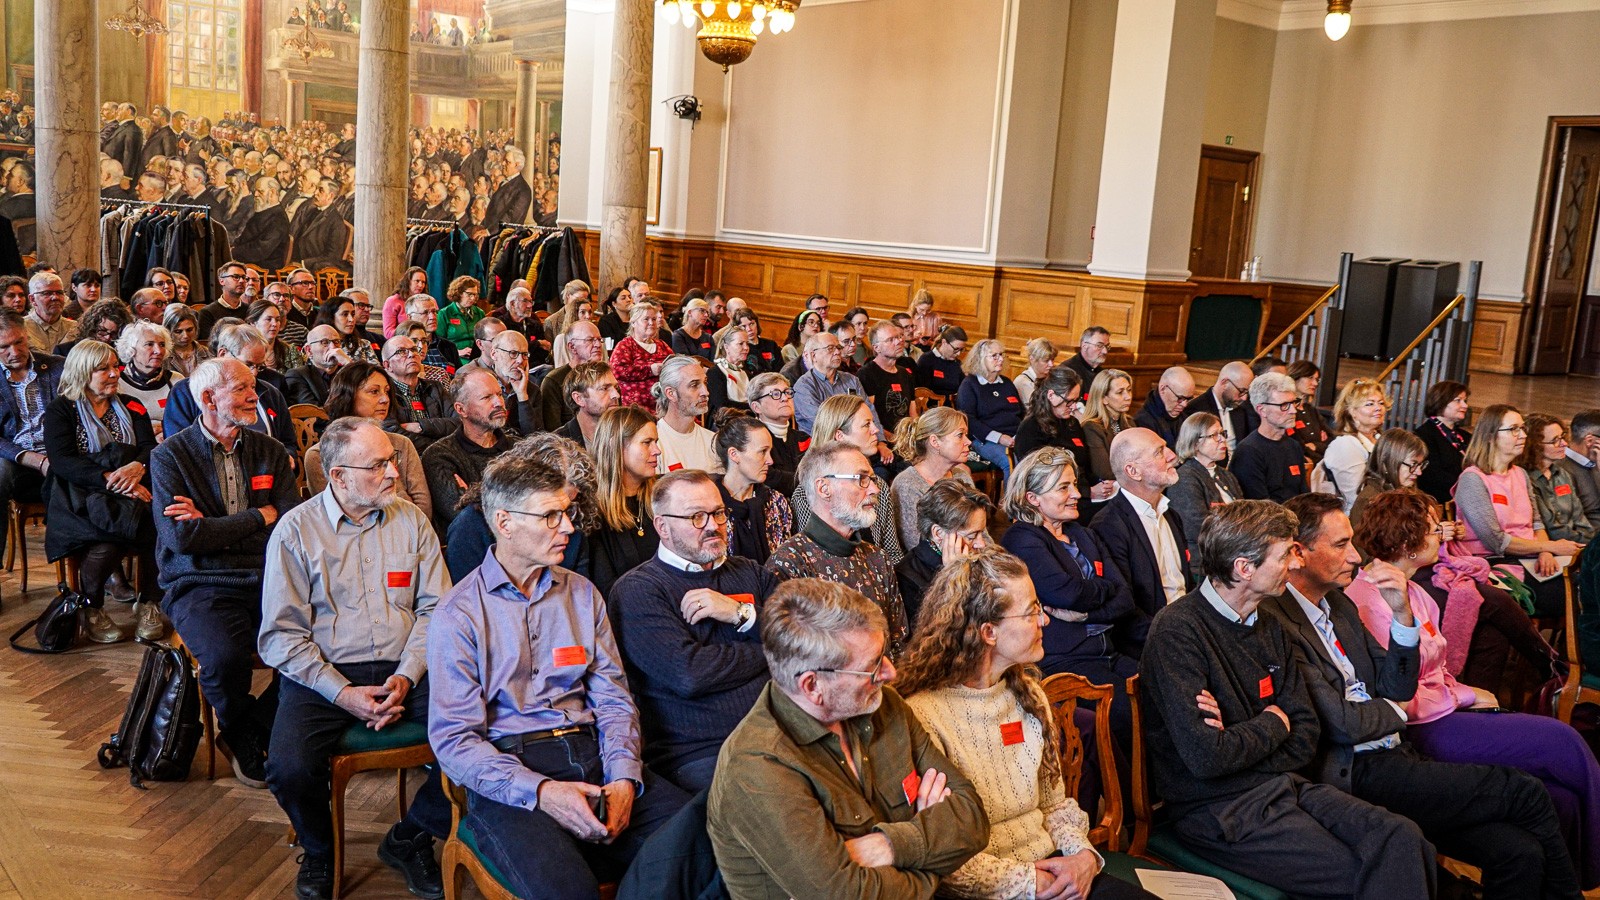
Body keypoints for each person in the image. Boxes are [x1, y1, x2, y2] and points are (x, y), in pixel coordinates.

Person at [1266, 492, 1581, 900]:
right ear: (1299, 553)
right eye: (1341, 545)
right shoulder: (1279, 622)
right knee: (1525, 790)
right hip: (1354, 772)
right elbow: (1345, 725)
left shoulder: (1338, 604)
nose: (1356, 557)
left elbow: (1398, 686)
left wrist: (1401, 615)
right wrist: (1396, 709)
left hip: (1394, 752)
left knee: (1520, 852)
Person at [1137, 499, 1436, 898]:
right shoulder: (1178, 631)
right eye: (1284, 556)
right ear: (1244, 569)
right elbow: (1207, 758)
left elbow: (1305, 737)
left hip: (1284, 785)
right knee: (1364, 874)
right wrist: (1274, 722)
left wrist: (1248, 736)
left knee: (1403, 837)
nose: (1295, 565)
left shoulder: (1268, 622)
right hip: (1218, 810)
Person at [427, 451, 688, 900]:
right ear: (505, 523)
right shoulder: (459, 614)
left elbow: (613, 699)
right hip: (510, 770)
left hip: (594, 752)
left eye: (566, 513)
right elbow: (454, 741)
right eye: (550, 516)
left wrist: (624, 775)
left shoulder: (582, 594)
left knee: (711, 846)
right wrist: (544, 792)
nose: (568, 527)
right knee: (568, 890)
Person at [1348, 489, 1600, 888]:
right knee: (1563, 742)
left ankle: (1578, 877)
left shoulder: (1416, 592)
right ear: (1405, 544)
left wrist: (1461, 691)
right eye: (1433, 530)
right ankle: (1591, 870)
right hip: (1420, 726)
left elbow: (1438, 671)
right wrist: (1466, 694)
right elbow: (1399, 693)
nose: (1443, 536)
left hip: (1447, 710)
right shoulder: (1368, 599)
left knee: (1563, 800)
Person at [259, 418, 450, 900]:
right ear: (338, 476)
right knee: (288, 767)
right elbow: (282, 637)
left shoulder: (411, 520)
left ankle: (410, 837)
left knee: (481, 735)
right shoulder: (296, 531)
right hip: (323, 674)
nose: (394, 473)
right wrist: (342, 693)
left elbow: (436, 609)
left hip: (407, 666)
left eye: (393, 460)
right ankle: (321, 851)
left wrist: (407, 675)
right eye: (379, 465)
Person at [899, 551, 1161, 900]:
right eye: (1032, 611)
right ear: (988, 631)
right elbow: (946, 862)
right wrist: (1028, 882)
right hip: (994, 889)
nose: (1045, 621)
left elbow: (1055, 806)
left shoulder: (1029, 696)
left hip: (1052, 866)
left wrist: (1083, 856)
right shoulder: (924, 717)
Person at [706, 578, 989, 899]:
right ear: (813, 686)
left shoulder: (885, 705)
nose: (890, 673)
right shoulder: (758, 768)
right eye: (871, 667)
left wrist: (889, 846)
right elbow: (846, 894)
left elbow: (972, 820)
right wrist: (930, 860)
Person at [152, 358, 301, 789]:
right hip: (198, 581)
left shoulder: (270, 452)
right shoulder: (170, 457)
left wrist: (214, 528)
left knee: (325, 640)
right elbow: (183, 540)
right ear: (207, 398)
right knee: (224, 658)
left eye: (252, 386)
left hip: (268, 574)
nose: (254, 396)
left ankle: (248, 726)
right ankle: (240, 731)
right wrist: (259, 517)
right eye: (240, 389)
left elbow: (289, 526)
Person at [610, 470, 780, 792]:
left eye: (718, 513)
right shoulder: (638, 590)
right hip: (702, 751)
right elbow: (690, 674)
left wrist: (739, 613)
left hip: (780, 728)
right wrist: (770, 648)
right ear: (663, 527)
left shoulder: (750, 572)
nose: (714, 525)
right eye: (697, 517)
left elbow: (804, 636)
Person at [1000, 447, 1138, 732]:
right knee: (1127, 712)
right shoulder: (1022, 538)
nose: (1077, 493)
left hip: (1108, 651)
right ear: (1033, 498)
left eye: (1074, 484)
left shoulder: (1082, 533)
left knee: (1164, 690)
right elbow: (1066, 593)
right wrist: (1105, 587)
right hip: (1065, 661)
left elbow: (1125, 598)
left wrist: (1086, 615)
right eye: (1064, 487)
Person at [42, 340, 161, 643]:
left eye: (114, 367)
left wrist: (136, 470)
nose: (113, 374)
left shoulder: (131, 404)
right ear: (83, 372)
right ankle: (91, 606)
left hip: (133, 484)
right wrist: (114, 479)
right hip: (80, 491)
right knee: (110, 537)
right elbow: (62, 461)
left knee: (161, 525)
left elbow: (149, 448)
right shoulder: (61, 410)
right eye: (103, 369)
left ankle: (148, 603)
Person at [768, 442, 909, 657]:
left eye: (871, 479)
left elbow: (899, 642)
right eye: (861, 479)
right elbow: (791, 658)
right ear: (824, 488)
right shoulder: (789, 564)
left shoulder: (877, 558)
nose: (875, 489)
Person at [1455, 404, 1586, 616]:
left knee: (1587, 585)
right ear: (1490, 436)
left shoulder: (1520, 474)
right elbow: (1496, 541)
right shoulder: (1473, 479)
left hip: (1530, 558)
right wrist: (1549, 546)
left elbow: (1536, 524)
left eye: (1523, 428)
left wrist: (1545, 551)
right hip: (1494, 564)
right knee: (1578, 596)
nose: (1523, 435)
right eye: (1514, 429)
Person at [1091, 427, 1194, 647]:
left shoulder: (1171, 515)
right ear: (1133, 471)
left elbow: (1187, 585)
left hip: (1188, 631)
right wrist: (1172, 639)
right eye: (1159, 452)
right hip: (1152, 643)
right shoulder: (1109, 526)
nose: (1172, 455)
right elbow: (1124, 611)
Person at [789, 394, 906, 566]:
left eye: (873, 423)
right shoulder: (808, 494)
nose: (875, 430)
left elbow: (893, 553)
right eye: (866, 425)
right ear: (840, 435)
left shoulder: (877, 485)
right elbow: (812, 558)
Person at [302, 363, 431, 510]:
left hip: (411, 530)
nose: (385, 399)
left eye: (387, 391)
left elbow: (423, 505)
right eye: (374, 391)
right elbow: (339, 514)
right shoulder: (318, 455)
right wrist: (401, 496)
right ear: (348, 395)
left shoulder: (402, 443)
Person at [162, 323, 299, 456]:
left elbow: (288, 442)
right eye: (248, 364)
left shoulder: (270, 392)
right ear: (222, 353)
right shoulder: (186, 392)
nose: (254, 373)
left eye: (260, 367)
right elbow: (178, 448)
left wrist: (286, 457)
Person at [0, 312, 60, 593]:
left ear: (27, 335)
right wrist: (31, 458)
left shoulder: (57, 367)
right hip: (17, 458)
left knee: (89, 471)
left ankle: (99, 568)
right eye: (4, 347)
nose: (15, 352)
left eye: (19, 342)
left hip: (60, 451)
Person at [421, 368, 512, 534]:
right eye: (486, 397)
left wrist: (473, 495)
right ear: (461, 409)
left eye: (499, 394)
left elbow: (537, 508)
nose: (499, 402)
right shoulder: (439, 456)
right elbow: (463, 516)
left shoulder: (519, 448)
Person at [898, 479, 993, 631]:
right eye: (972, 536)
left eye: (981, 533)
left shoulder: (978, 558)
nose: (981, 544)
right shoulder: (908, 579)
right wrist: (954, 576)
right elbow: (936, 639)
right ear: (938, 533)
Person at [589, 405, 662, 597]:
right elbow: (606, 589)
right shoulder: (592, 512)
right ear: (617, 446)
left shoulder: (663, 495)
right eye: (647, 442)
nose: (657, 451)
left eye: (656, 442)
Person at [888, 406, 974, 552]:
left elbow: (980, 532)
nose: (968, 442)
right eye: (960, 435)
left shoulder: (962, 476)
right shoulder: (908, 485)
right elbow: (917, 545)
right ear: (935, 442)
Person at [714, 410, 794, 566]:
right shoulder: (710, 505)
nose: (770, 461)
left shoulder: (777, 503)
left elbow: (787, 562)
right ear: (734, 454)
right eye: (762, 452)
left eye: (770, 452)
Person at [1168, 412, 1242, 573]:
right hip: (1204, 562)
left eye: (1222, 433)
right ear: (1195, 443)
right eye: (1214, 435)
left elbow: (1244, 513)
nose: (1223, 440)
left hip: (1233, 554)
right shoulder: (1184, 477)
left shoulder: (1226, 475)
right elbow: (1198, 528)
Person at [792, 332, 882, 451]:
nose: (837, 352)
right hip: (822, 450)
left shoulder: (852, 380)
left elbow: (869, 410)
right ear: (813, 356)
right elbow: (824, 423)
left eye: (838, 347)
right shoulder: (804, 386)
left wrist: (880, 441)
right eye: (830, 348)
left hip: (859, 444)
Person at [1231, 371, 1308, 501]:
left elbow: (1304, 495)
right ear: (1262, 410)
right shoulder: (1248, 451)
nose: (1293, 410)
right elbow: (1260, 507)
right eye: (1284, 405)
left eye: (1294, 402)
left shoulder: (1293, 446)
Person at [1521, 414, 1596, 543]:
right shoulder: (1526, 478)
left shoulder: (1562, 474)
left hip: (1579, 545)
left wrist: (1589, 542)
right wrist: (1587, 543)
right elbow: (1552, 528)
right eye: (1555, 440)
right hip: (1551, 547)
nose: (1564, 444)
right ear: (1536, 446)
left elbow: (1580, 518)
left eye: (1562, 437)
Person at [956, 338, 1023, 483]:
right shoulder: (970, 384)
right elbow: (968, 420)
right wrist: (999, 438)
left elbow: (1021, 414)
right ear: (980, 359)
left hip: (1015, 438)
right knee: (1011, 462)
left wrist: (1020, 436)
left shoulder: (1007, 383)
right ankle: (1009, 504)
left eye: (1001, 355)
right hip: (984, 440)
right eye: (994, 356)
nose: (1000, 359)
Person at [380, 334, 454, 452]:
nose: (412, 354)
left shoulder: (435, 387)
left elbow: (458, 422)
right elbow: (391, 432)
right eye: (401, 351)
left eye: (414, 350)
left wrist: (421, 426)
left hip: (444, 455)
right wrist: (439, 447)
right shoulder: (384, 393)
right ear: (387, 365)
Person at [1323, 378, 1389, 511]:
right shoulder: (1345, 445)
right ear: (1352, 412)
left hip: (1384, 510)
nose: (1378, 408)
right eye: (1369, 404)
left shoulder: (1381, 439)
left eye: (1381, 403)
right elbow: (1358, 496)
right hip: (1359, 516)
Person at [1346, 428, 1430, 529]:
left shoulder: (1410, 492)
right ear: (1387, 463)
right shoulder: (1370, 502)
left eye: (1421, 465)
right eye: (1413, 464)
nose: (1419, 472)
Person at [652, 355, 722, 475]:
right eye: (694, 385)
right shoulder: (654, 444)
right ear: (671, 393)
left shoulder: (712, 441)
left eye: (705, 383)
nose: (705, 392)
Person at [115, 321, 181, 442]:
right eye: (149, 344)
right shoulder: (117, 383)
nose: (158, 351)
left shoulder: (177, 381)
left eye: (162, 345)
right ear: (131, 349)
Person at [1414, 379, 1472, 505]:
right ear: (1440, 402)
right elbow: (1431, 476)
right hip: (1438, 503)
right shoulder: (1423, 436)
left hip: (1465, 499)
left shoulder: (1465, 436)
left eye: (1465, 401)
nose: (1465, 405)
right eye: (1458, 400)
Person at [747, 372, 806, 496]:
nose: (785, 398)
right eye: (775, 394)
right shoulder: (751, 440)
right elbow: (769, 478)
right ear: (757, 407)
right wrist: (808, 482)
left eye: (787, 392)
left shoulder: (803, 438)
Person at [856, 320, 916, 441]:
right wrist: (892, 439)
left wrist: (914, 436)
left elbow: (913, 414)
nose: (899, 341)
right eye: (890, 340)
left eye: (899, 337)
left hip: (905, 439)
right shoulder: (867, 374)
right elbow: (868, 418)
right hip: (881, 440)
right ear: (877, 348)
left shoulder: (904, 373)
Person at [609, 297, 671, 410]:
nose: (652, 323)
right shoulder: (626, 345)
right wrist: (650, 370)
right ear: (633, 322)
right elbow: (617, 371)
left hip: (664, 404)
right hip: (636, 408)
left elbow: (675, 366)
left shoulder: (662, 345)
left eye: (654, 319)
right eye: (646, 319)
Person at [1183, 361, 1254, 457]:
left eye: (1247, 392)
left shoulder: (1239, 408)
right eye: (1241, 391)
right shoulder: (1196, 409)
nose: (1244, 398)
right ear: (1224, 383)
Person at [1081, 367, 1134, 486]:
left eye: (1129, 390)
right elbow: (1104, 472)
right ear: (1104, 398)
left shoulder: (1130, 422)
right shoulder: (1091, 427)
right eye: (1120, 392)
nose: (1128, 397)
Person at [283, 324, 348, 407]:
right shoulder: (297, 375)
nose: (333, 347)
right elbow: (312, 414)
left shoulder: (347, 372)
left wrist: (347, 362)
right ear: (309, 350)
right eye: (325, 342)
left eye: (336, 342)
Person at [1134, 366, 1196, 450]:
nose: (1184, 404)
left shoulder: (1185, 417)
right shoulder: (1143, 421)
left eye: (1188, 399)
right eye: (1180, 398)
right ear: (1163, 389)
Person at [1288, 360, 1332, 464]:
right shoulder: (1288, 411)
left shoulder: (1310, 409)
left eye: (1317, 379)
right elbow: (1297, 445)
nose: (1315, 383)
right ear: (1296, 377)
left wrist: (1316, 445)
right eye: (1310, 378)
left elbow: (1332, 438)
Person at [406, 293, 462, 373]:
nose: (432, 317)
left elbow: (459, 377)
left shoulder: (449, 346)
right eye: (425, 313)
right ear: (410, 317)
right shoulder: (403, 347)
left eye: (434, 311)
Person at [246, 299, 306, 374]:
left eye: (277, 319)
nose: (275, 324)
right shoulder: (244, 352)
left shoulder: (290, 351)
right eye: (268, 319)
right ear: (253, 323)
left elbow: (298, 380)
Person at [23, 271, 77, 354]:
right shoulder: (20, 328)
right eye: (47, 293)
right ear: (32, 299)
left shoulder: (75, 328)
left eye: (59, 293)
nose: (55, 297)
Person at [195, 262, 250, 341]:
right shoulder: (207, 312)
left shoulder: (249, 310)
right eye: (236, 277)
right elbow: (207, 343)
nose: (241, 281)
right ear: (222, 281)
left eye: (244, 277)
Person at [317, 294, 378, 365]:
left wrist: (347, 362)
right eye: (345, 314)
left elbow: (376, 374)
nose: (351, 319)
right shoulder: (316, 345)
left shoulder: (364, 344)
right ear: (331, 317)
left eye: (353, 314)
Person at [707, 324, 751, 419]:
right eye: (741, 343)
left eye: (747, 343)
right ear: (726, 347)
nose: (746, 348)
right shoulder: (715, 372)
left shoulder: (747, 373)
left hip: (747, 418)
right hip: (723, 421)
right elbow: (722, 405)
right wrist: (752, 407)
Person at [435, 276, 485, 358]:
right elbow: (438, 343)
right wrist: (457, 352)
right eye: (469, 294)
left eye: (475, 294)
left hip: (477, 356)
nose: (473, 298)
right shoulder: (444, 313)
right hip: (455, 356)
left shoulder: (479, 313)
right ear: (458, 293)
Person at [914, 325, 968, 399]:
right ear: (944, 342)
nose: (958, 353)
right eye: (956, 349)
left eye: (961, 350)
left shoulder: (957, 364)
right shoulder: (927, 360)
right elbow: (922, 392)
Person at [162, 304, 212, 377]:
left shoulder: (207, 354)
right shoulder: (163, 356)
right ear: (168, 331)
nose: (185, 336)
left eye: (189, 330)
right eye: (178, 331)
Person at [382, 267, 428, 340]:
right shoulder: (392, 301)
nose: (421, 285)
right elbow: (388, 333)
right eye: (417, 281)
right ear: (408, 281)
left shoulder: (426, 302)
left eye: (423, 282)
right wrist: (411, 334)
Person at [1062, 326, 1111, 393]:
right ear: (1084, 346)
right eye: (1099, 346)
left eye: (1107, 346)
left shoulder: (1102, 373)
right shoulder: (1067, 371)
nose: (1105, 351)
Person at [733, 308, 781, 375]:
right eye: (743, 326)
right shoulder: (741, 350)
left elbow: (781, 370)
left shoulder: (771, 345)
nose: (749, 329)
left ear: (757, 324)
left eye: (751, 324)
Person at [1013, 337, 1057, 408]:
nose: (1051, 364)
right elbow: (1036, 411)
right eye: (1046, 360)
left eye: (1052, 360)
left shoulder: (1050, 378)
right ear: (1032, 359)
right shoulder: (1023, 382)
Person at [670, 297, 715, 361]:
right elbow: (684, 361)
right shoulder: (679, 335)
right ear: (690, 312)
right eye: (702, 311)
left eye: (707, 312)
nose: (706, 315)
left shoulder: (708, 338)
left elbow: (712, 363)